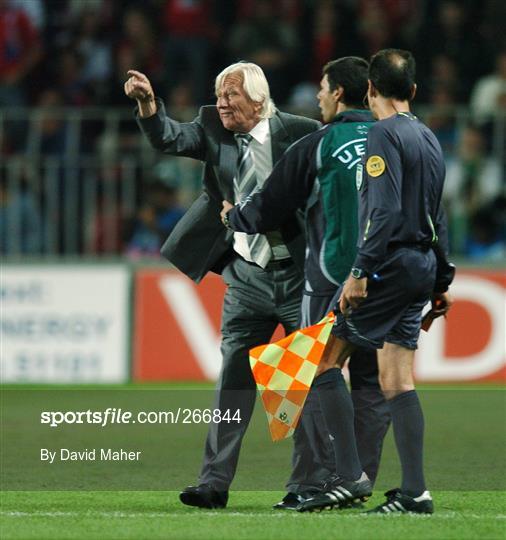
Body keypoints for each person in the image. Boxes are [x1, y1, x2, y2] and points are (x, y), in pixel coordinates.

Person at [124, 62, 320, 508]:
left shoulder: (303, 132)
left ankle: (306, 484)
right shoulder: (213, 127)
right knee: (232, 381)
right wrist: (149, 107)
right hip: (247, 275)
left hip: (297, 275)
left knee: (294, 384)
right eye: (218, 94)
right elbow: (170, 138)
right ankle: (213, 484)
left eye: (230, 95)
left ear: (258, 99)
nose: (222, 104)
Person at [221, 57, 390, 509]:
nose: (317, 96)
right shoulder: (397, 137)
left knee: (313, 371)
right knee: (376, 380)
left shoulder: (318, 143)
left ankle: (335, 478)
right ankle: (362, 478)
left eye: (321, 87)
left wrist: (232, 215)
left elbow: (267, 206)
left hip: (334, 278)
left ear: (338, 93)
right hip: (392, 277)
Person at [294, 49, 455, 515]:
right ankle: (415, 492)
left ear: (370, 90)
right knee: (396, 380)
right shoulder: (428, 136)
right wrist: (441, 279)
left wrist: (359, 272)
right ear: (414, 91)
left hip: (389, 265)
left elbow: (381, 211)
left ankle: (349, 477)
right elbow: (436, 213)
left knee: (324, 360)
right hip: (422, 266)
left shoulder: (382, 135)